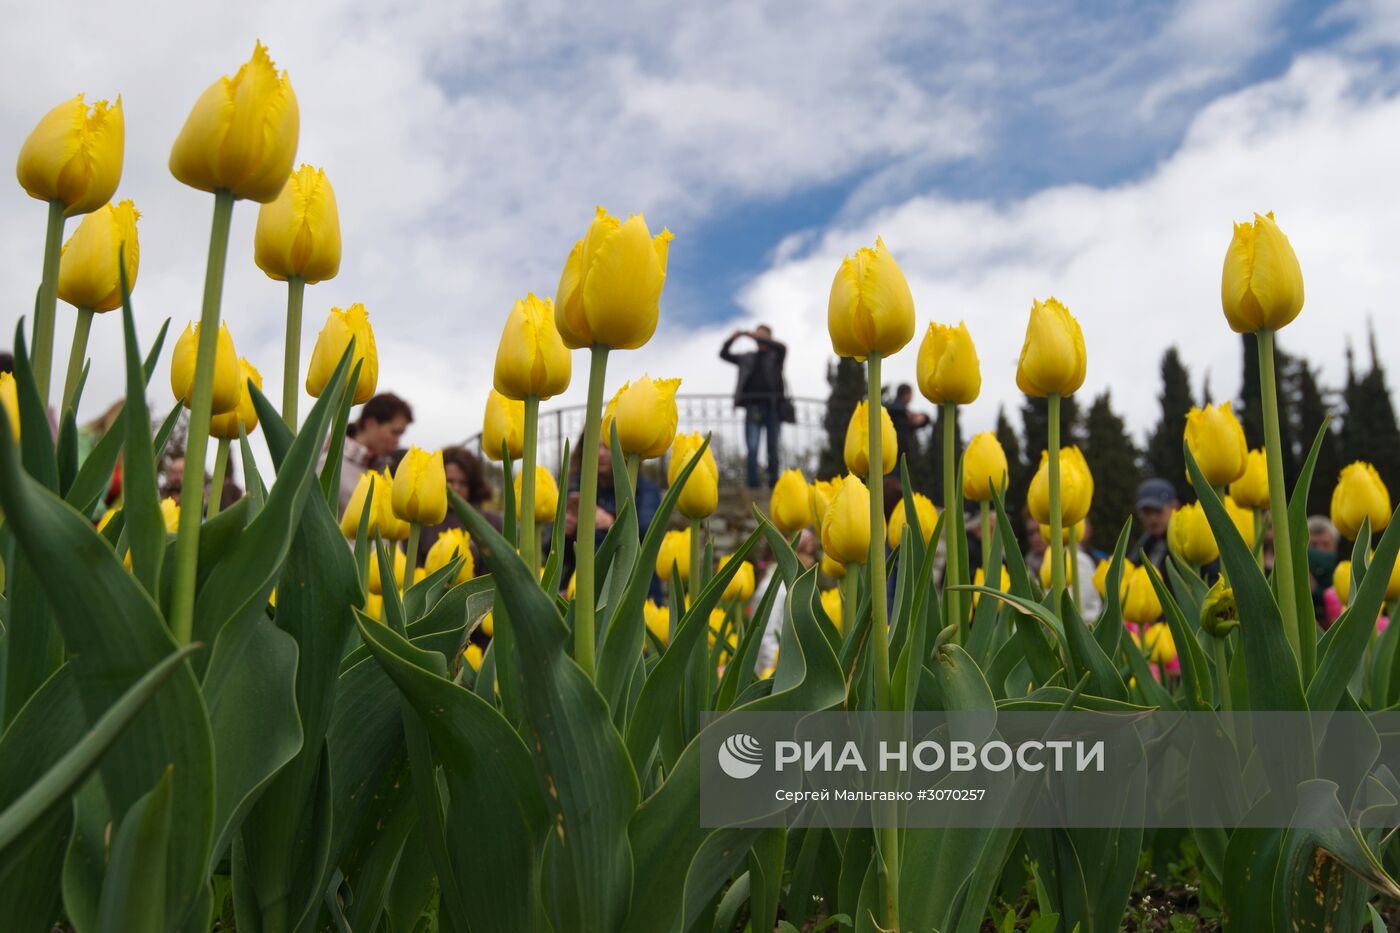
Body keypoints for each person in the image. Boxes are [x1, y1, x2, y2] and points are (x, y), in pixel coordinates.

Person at [559, 437, 662, 596]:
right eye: (595, 446)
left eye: (607, 447)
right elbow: (553, 552)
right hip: (581, 587)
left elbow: (650, 538)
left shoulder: (645, 491)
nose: (600, 453)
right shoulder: (574, 488)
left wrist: (612, 524)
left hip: (631, 587)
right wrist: (565, 533)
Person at [720, 325, 788, 489]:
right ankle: (753, 486)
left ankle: (774, 484)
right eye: (758, 336)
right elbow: (724, 355)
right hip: (753, 408)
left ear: (769, 338)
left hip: (773, 407)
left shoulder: (776, 356)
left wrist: (756, 336)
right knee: (752, 447)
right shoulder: (748, 357)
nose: (759, 339)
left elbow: (782, 347)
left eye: (763, 336)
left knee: (773, 447)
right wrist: (732, 339)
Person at [416, 446, 501, 569]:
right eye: (450, 481)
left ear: (472, 485)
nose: (456, 488)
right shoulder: (423, 522)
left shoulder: (490, 523)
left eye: (463, 483)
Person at [333, 393, 413, 510]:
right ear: (370, 424)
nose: (397, 441)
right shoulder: (327, 464)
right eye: (394, 432)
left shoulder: (385, 471)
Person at [754, 529, 819, 673]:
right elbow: (767, 635)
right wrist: (777, 673)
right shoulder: (775, 588)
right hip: (774, 674)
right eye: (808, 554)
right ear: (792, 551)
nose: (812, 561)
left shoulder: (787, 585)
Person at [1130, 477, 1178, 583]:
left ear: (1174, 507)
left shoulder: (1187, 544)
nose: (1152, 519)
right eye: (1146, 512)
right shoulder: (1143, 545)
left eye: (1158, 511)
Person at [885, 384, 930, 465]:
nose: (911, 397)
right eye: (910, 394)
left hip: (899, 454)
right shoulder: (898, 410)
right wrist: (905, 413)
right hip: (890, 452)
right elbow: (887, 408)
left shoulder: (906, 415)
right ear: (906, 394)